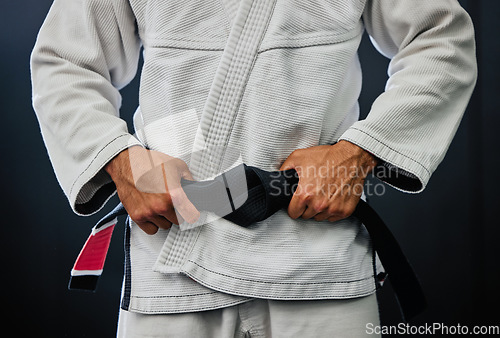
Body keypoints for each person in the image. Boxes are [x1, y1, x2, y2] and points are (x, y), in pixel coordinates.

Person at [31, 0, 477, 336]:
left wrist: (359, 154)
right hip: (175, 255)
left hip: (316, 264)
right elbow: (64, 62)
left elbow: (442, 38)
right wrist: (120, 161)